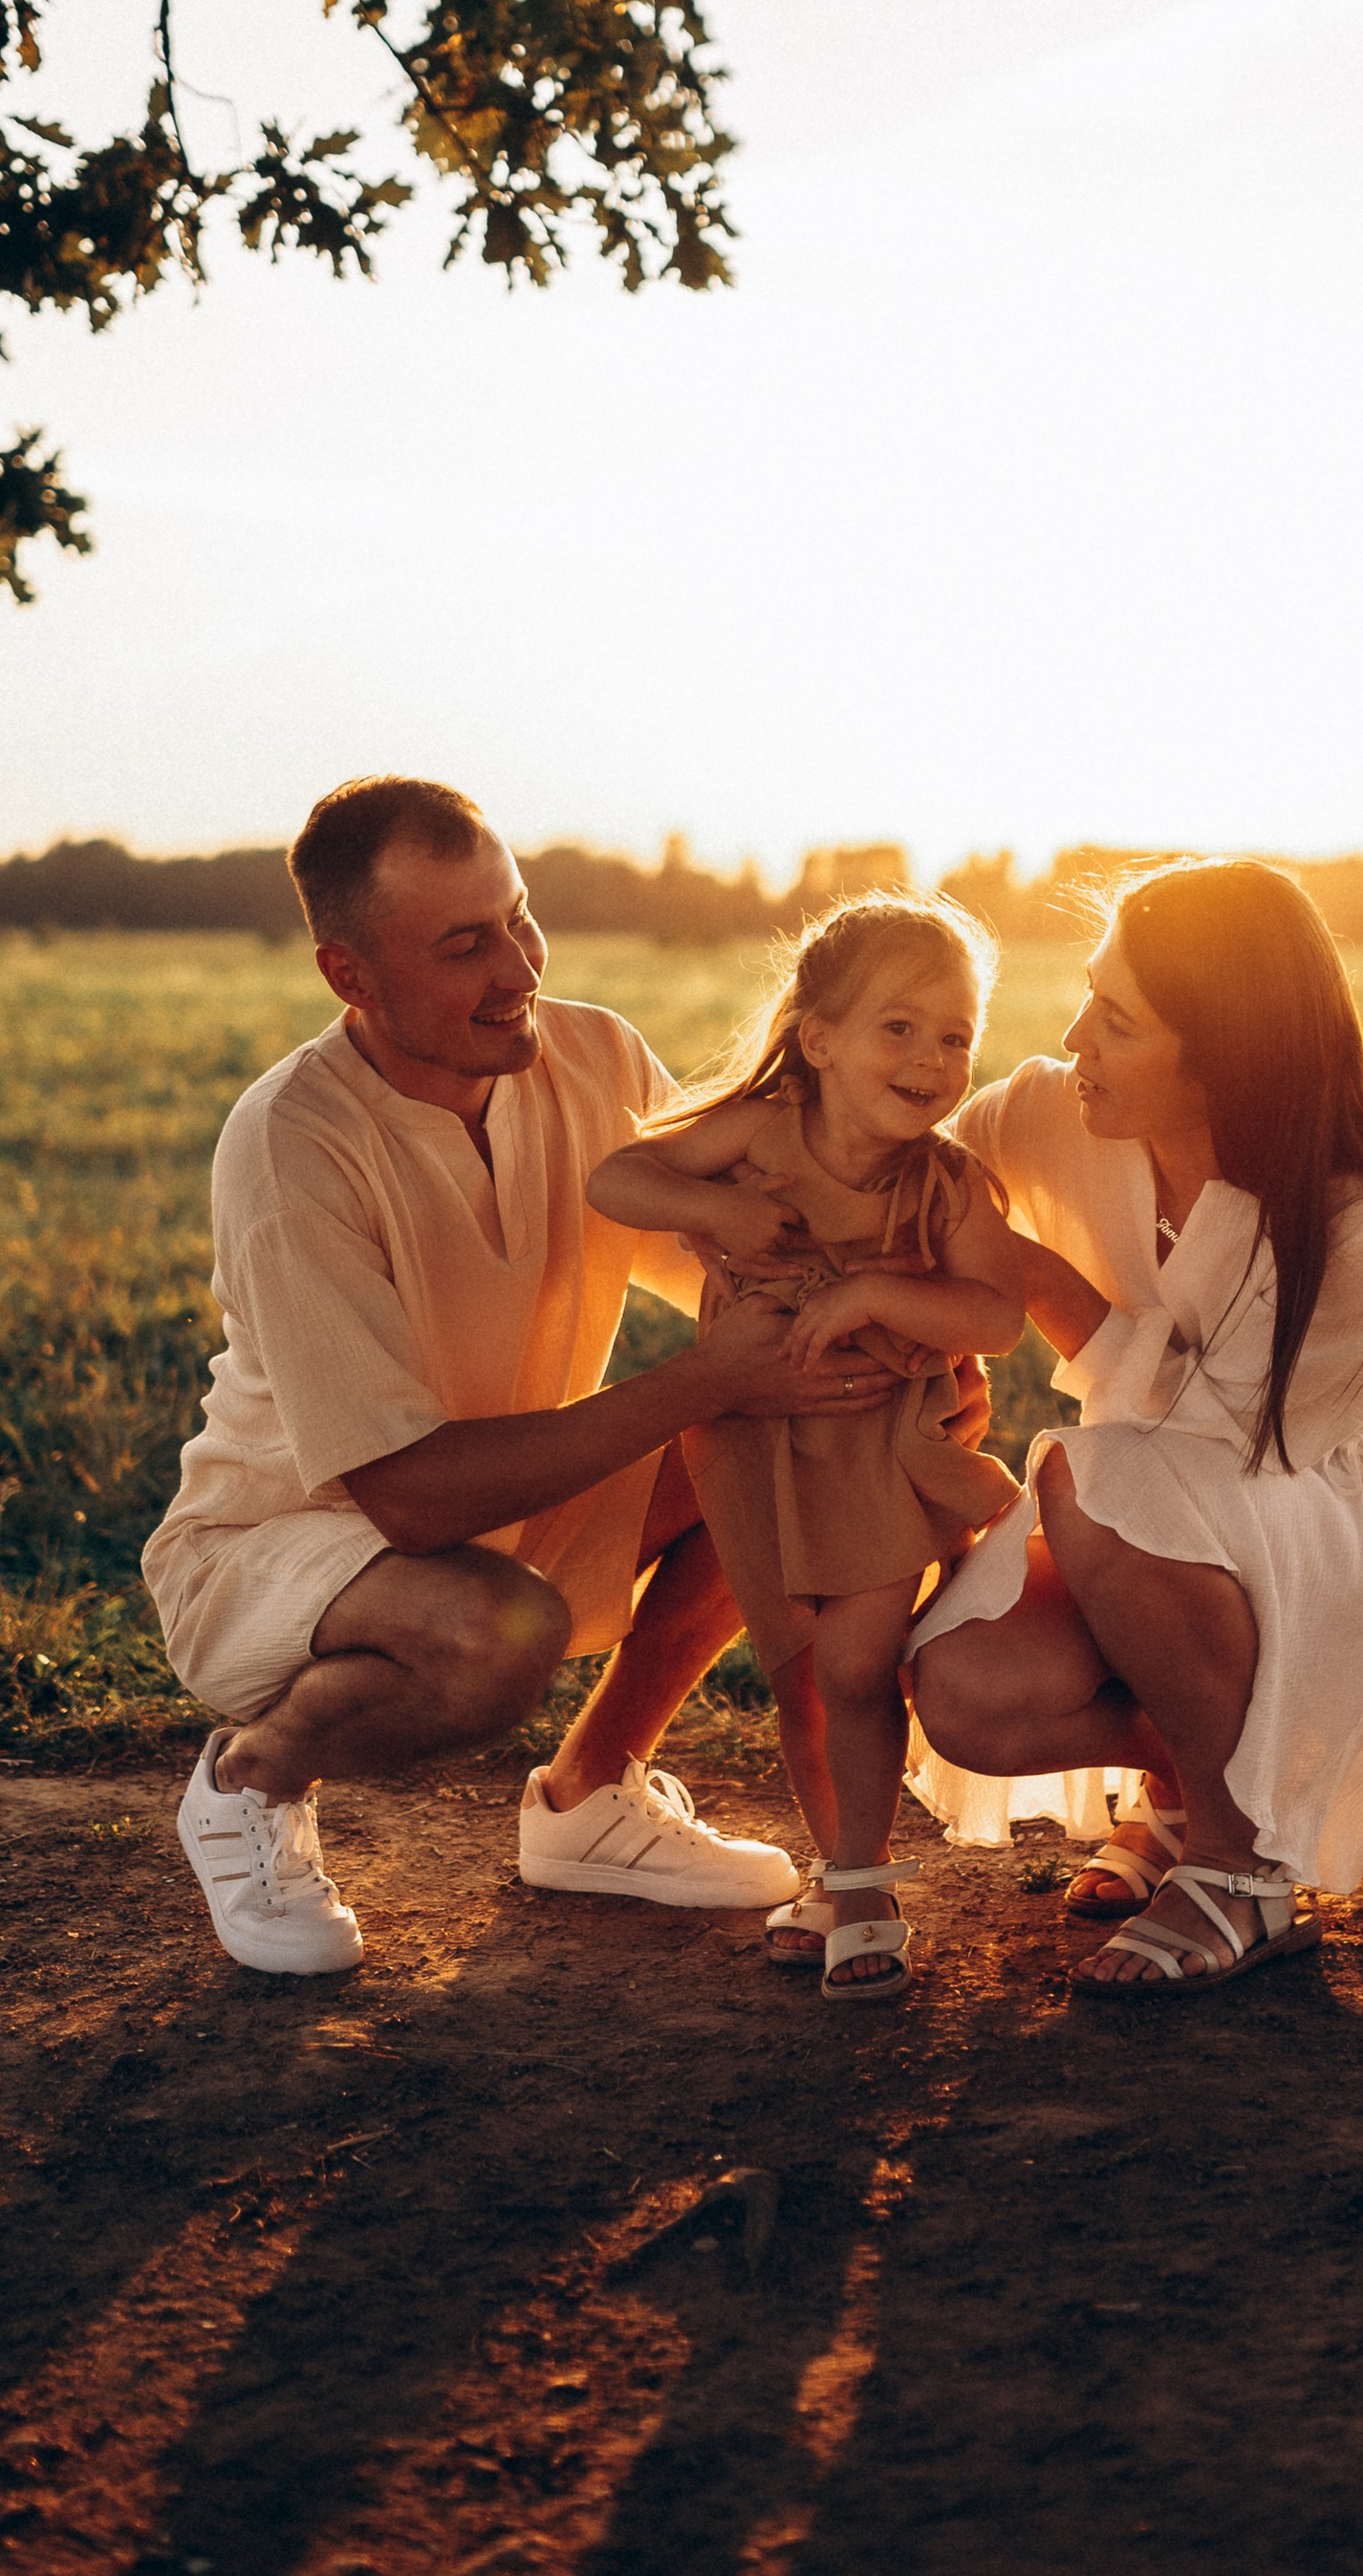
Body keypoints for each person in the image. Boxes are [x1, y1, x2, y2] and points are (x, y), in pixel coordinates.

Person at [144, 777, 908, 1976]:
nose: (519, 968)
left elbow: (758, 1258)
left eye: (518, 916)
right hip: (284, 1546)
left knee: (783, 1438)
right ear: (350, 974)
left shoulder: (593, 1054)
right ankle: (251, 1775)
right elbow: (410, 1499)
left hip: (510, 1502)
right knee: (498, 1634)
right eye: (464, 946)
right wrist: (707, 1378)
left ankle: (588, 1797)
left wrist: (897, 1339)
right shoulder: (291, 1141)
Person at [909, 858, 1363, 1995]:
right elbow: (908, 1177)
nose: (1074, 1037)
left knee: (1097, 1477)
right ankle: (1193, 1787)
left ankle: (1241, 1869)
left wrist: (1035, 1277)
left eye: (1118, 1021)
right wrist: (937, 1343)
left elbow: (1226, 1440)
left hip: (1325, 1521)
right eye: (1090, 995)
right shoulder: (1055, 1109)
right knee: (965, 1690)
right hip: (1138, 1516)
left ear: (1225, 1055)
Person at [588, 896, 1030, 2001]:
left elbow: (996, 1315)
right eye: (899, 1027)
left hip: (880, 1452)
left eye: (955, 1036)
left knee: (854, 1664)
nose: (930, 1059)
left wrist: (881, 1292)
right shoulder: (759, 1132)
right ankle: (841, 1874)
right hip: (755, 1450)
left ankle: (867, 1886)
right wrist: (716, 1211)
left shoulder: (944, 1184)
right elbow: (615, 1179)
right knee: (799, 1673)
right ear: (819, 1036)